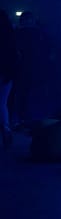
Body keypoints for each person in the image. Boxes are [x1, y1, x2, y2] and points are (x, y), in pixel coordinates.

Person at [0, 10, 18, 148]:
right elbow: (15, 56)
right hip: (6, 73)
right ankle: (6, 129)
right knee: (2, 103)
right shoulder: (11, 35)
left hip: (5, 71)